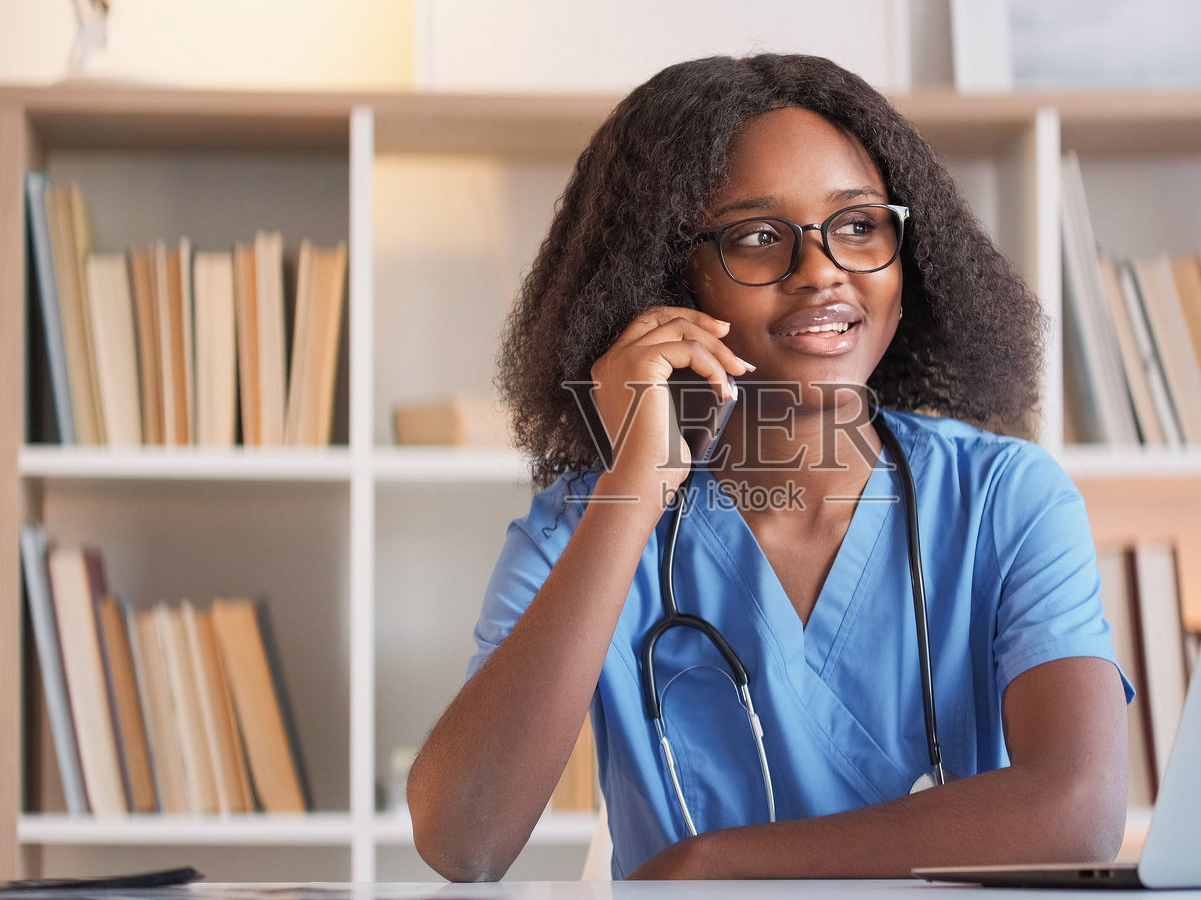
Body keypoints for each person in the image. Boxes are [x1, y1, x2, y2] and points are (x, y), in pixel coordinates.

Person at [407, 53, 1133, 882]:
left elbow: (1077, 812)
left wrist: (714, 865)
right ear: (667, 282)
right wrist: (632, 494)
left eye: (859, 226)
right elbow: (463, 839)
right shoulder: (581, 527)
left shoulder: (1005, 500)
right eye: (758, 237)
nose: (821, 270)